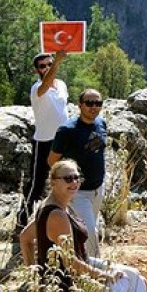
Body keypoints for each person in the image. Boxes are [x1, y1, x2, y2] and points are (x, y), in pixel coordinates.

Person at [19, 159, 147, 292]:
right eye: (68, 178)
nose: (74, 182)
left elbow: (24, 237)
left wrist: (35, 275)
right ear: (53, 182)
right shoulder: (56, 215)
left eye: (76, 178)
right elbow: (70, 263)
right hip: (68, 284)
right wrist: (104, 276)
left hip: (83, 265)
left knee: (138, 279)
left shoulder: (56, 205)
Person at [48, 88, 107, 259]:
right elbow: (52, 161)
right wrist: (67, 184)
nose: (93, 107)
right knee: (90, 234)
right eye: (89, 103)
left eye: (98, 103)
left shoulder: (101, 123)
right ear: (80, 105)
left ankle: (79, 262)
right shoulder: (67, 130)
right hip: (78, 192)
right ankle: (96, 274)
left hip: (98, 188)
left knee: (89, 229)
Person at [16, 50, 69, 240]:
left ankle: (64, 218)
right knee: (37, 184)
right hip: (44, 141)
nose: (46, 68)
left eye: (49, 64)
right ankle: (22, 221)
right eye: (42, 66)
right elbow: (46, 84)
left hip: (63, 140)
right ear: (37, 70)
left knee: (67, 179)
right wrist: (57, 63)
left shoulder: (61, 85)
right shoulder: (37, 88)